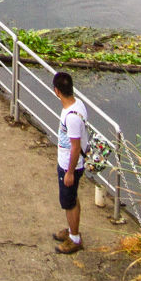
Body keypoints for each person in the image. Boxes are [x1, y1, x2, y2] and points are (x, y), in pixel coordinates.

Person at [53, 69, 88, 255]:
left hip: (70, 165)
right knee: (72, 198)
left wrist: (69, 172)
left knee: (69, 202)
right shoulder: (78, 105)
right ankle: (72, 230)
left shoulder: (72, 117)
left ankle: (75, 238)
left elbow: (75, 147)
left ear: (57, 91)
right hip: (69, 163)